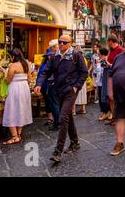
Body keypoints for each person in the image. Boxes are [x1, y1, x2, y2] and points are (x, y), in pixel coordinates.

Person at [34, 35, 88, 163]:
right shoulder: (55, 57)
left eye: (64, 42)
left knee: (63, 117)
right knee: (67, 115)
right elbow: (45, 71)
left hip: (70, 90)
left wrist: (77, 86)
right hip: (59, 90)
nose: (61, 44)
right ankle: (75, 142)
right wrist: (39, 83)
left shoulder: (76, 55)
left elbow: (84, 72)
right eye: (60, 42)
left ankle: (58, 150)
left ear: (70, 43)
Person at [2, 49, 33, 144]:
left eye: (10, 56)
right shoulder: (26, 64)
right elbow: (29, 79)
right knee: (21, 110)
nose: (9, 58)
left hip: (15, 88)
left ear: (13, 56)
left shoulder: (13, 66)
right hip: (24, 88)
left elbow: (8, 80)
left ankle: (14, 136)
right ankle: (19, 134)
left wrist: (4, 73)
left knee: (11, 110)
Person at [105, 34, 125, 125]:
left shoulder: (120, 50)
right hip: (110, 75)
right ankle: (113, 117)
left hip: (117, 76)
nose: (107, 44)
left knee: (116, 97)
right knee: (111, 97)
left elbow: (121, 64)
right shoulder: (111, 50)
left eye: (108, 42)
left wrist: (109, 64)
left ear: (111, 41)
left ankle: (118, 117)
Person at [37, 48, 55, 128]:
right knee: (47, 102)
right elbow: (40, 75)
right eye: (48, 55)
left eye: (51, 55)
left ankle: (53, 118)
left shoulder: (53, 64)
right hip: (45, 85)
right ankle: (50, 118)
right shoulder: (44, 65)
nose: (50, 56)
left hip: (51, 85)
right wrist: (38, 85)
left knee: (51, 102)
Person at [46, 39, 60, 131]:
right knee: (56, 103)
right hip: (56, 82)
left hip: (54, 82)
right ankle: (58, 122)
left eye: (52, 48)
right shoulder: (56, 56)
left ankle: (57, 123)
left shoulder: (56, 57)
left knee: (54, 104)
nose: (51, 50)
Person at [94, 48, 109, 121]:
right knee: (101, 99)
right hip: (99, 83)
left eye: (99, 54)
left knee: (106, 99)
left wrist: (98, 64)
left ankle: (108, 113)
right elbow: (97, 71)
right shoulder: (99, 61)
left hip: (105, 83)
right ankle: (104, 113)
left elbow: (102, 71)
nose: (98, 55)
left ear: (102, 54)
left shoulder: (106, 60)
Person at [73, 46, 88, 115]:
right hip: (83, 79)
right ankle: (83, 109)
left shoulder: (76, 58)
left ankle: (73, 111)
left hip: (77, 79)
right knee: (83, 95)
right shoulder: (84, 59)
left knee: (75, 95)